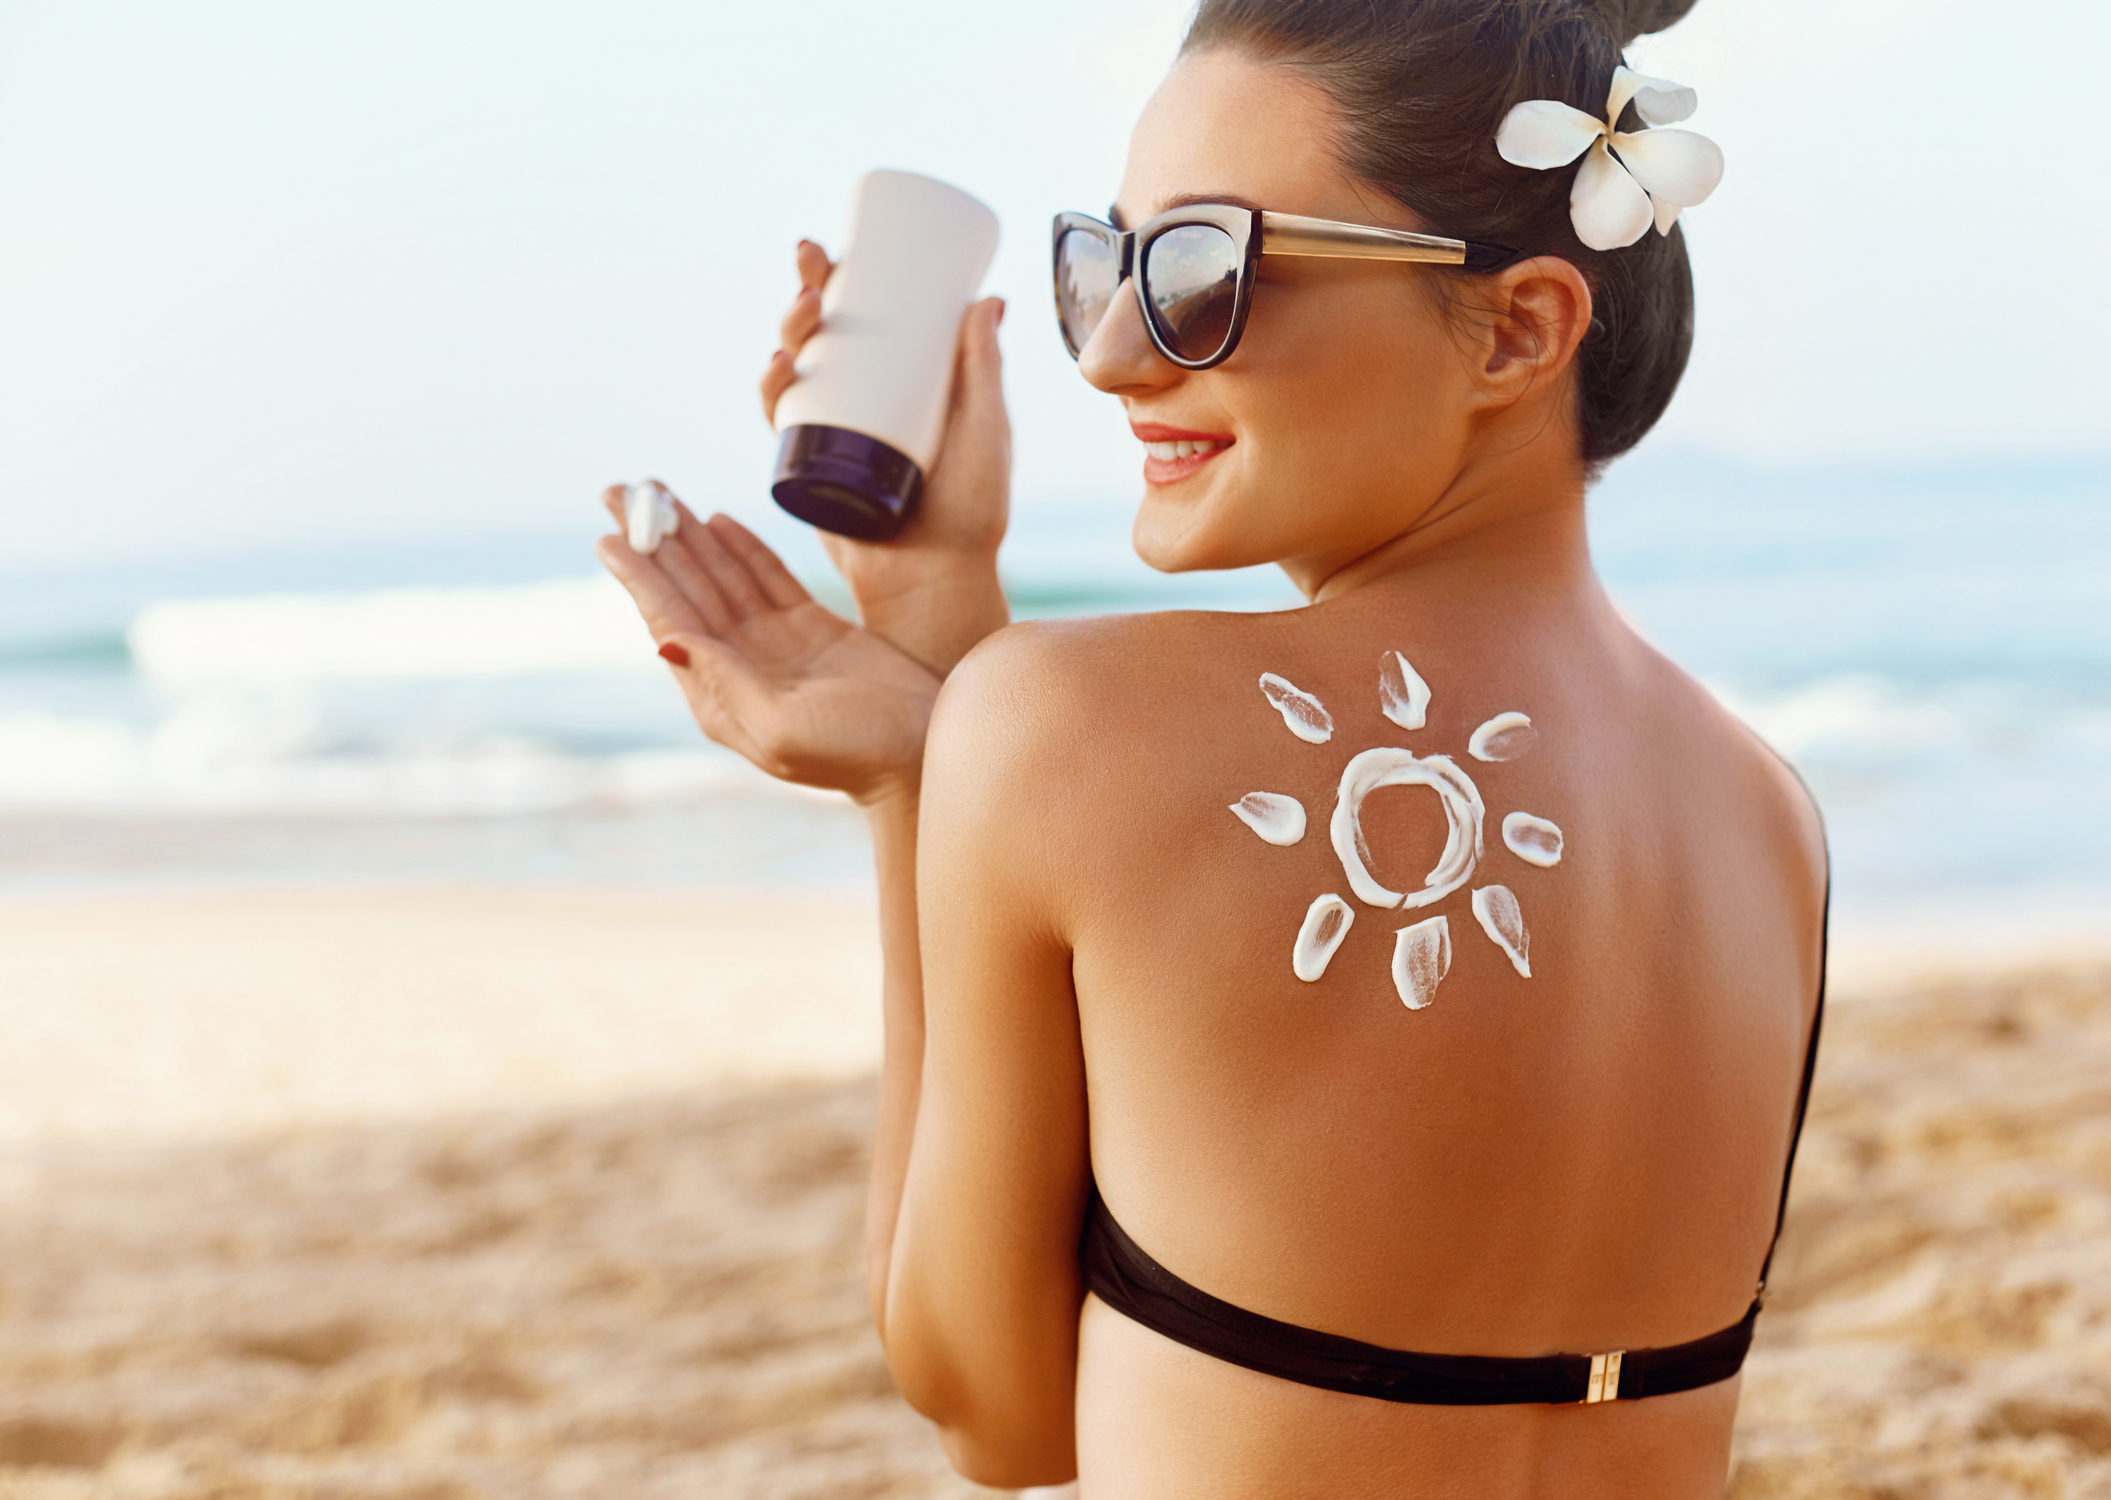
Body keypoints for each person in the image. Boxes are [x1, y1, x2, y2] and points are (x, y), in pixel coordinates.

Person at [597, 0, 1826, 1493]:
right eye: (1107, 264)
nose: (1114, 357)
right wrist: (936, 626)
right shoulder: (1771, 812)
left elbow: (995, 1412)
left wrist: (915, 773)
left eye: (1204, 270)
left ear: (1515, 329)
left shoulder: (1060, 723)